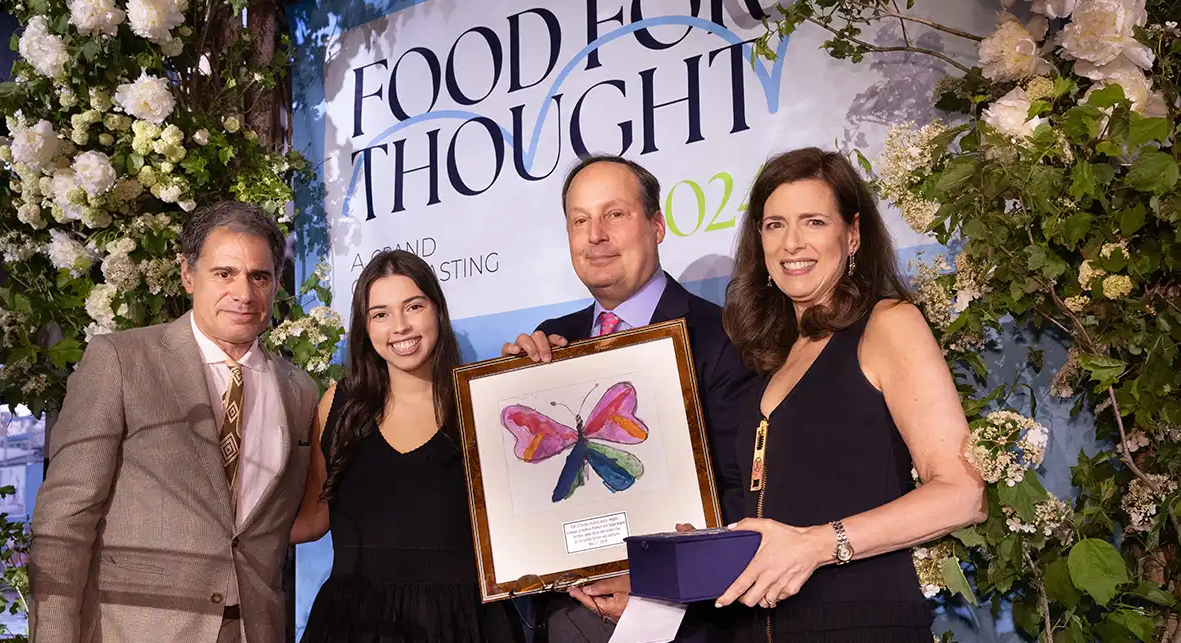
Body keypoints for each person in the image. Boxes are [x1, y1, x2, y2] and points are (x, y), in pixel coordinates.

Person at [714, 147, 986, 642]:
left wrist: (818, 545)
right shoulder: (770, 354)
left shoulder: (887, 324)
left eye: (813, 221)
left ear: (853, 234)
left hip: (862, 625)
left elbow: (963, 494)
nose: (791, 243)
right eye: (774, 225)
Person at [29, 200, 320, 643]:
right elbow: (64, 519)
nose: (244, 293)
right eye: (224, 273)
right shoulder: (122, 361)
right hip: (137, 629)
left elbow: (276, 523)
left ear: (276, 283)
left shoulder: (299, 390)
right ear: (188, 274)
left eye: (259, 276)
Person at [501, 155, 760, 642]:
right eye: (580, 220)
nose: (595, 234)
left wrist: (652, 575)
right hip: (568, 620)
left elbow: (743, 491)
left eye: (614, 214)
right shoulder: (549, 346)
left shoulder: (723, 337)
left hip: (687, 621)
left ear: (657, 225)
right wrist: (508, 382)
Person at [291, 249, 525, 643]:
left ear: (437, 311)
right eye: (380, 314)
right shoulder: (339, 404)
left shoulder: (480, 401)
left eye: (413, 306)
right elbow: (312, 519)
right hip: (354, 624)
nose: (399, 326)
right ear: (365, 327)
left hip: (462, 623)